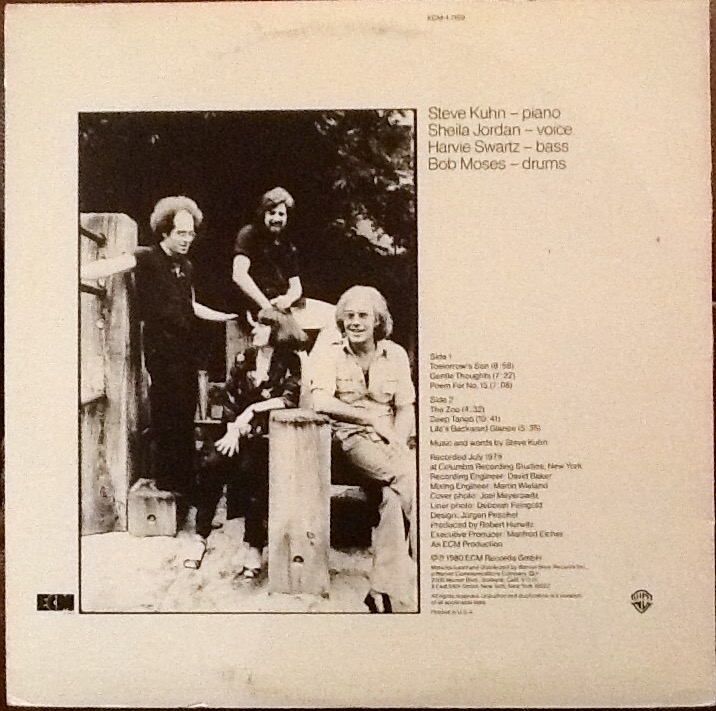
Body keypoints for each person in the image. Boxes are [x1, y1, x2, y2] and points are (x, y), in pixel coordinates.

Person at [80, 196, 236, 537]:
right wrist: (70, 271)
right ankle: (171, 484)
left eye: (190, 233)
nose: (187, 239)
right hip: (160, 350)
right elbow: (111, 266)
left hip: (185, 348)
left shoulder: (187, 266)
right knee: (167, 413)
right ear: (165, 231)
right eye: (180, 233)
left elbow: (191, 306)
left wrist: (224, 317)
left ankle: (184, 488)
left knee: (185, 413)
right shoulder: (146, 257)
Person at [310, 286, 416, 613]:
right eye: (349, 316)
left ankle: (380, 590)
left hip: (388, 441)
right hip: (350, 438)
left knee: (393, 497)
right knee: (410, 479)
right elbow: (320, 401)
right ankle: (407, 572)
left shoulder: (396, 355)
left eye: (363, 316)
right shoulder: (330, 353)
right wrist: (369, 419)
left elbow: (406, 407)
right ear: (341, 321)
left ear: (377, 320)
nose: (355, 322)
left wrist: (397, 440)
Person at [196, 307, 307, 577]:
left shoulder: (290, 361)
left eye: (262, 325)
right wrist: (233, 429)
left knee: (252, 469)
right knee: (211, 462)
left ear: (277, 330)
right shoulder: (244, 357)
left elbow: (289, 399)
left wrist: (253, 411)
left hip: (270, 436)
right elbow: (229, 399)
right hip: (237, 430)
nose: (254, 330)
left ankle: (254, 544)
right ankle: (200, 536)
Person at [232, 187, 303, 315]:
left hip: (278, 309)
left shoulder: (285, 243)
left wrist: (288, 299)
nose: (276, 218)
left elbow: (296, 285)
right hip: (251, 310)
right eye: (272, 213)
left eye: (281, 214)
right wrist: (267, 307)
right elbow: (239, 275)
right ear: (263, 214)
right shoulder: (248, 235)